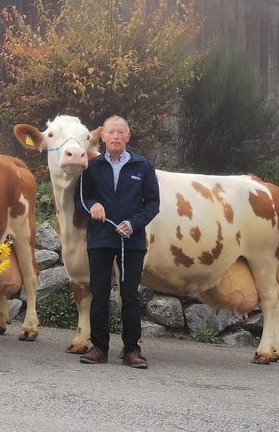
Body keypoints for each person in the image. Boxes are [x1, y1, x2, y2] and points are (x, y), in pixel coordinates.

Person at [74, 115, 161, 369]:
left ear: (127, 137)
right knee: (99, 294)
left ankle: (132, 350)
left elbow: (153, 205)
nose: (115, 136)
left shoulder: (143, 166)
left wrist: (133, 224)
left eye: (120, 132)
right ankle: (99, 348)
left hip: (131, 242)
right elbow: (80, 199)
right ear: (103, 137)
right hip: (100, 239)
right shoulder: (92, 166)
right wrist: (93, 205)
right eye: (110, 132)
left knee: (130, 297)